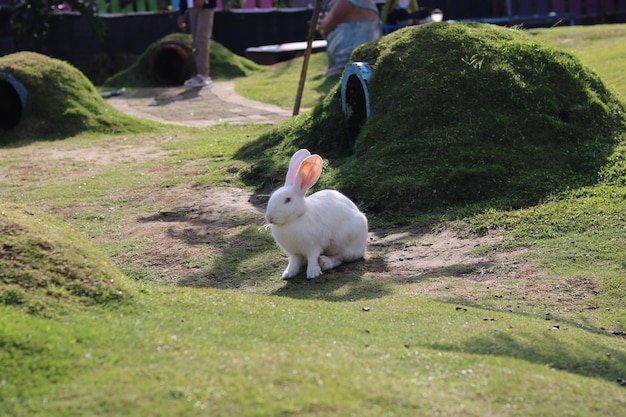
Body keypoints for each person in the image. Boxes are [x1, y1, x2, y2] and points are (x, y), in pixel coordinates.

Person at [317, 0, 382, 78]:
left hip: (349, 57)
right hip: (366, 55)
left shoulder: (345, 2)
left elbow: (325, 26)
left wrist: (320, 24)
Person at [177, 0, 217, 88]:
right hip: (192, 6)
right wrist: (181, 13)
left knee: (202, 38)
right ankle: (200, 73)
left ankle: (203, 75)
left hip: (205, 5)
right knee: (195, 41)